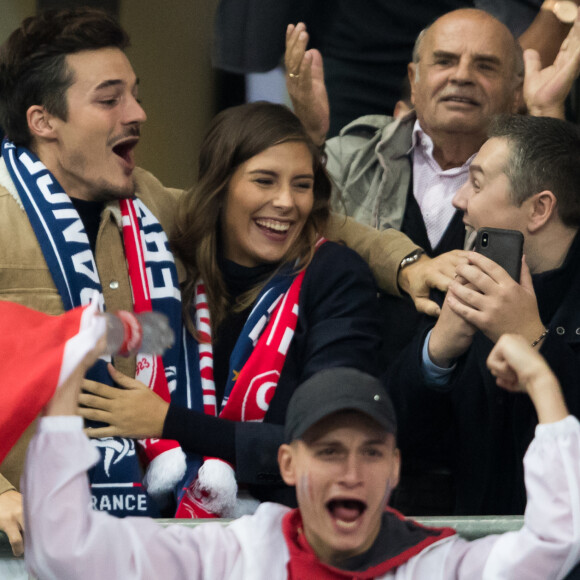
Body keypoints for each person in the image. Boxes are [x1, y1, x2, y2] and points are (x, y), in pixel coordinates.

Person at [0, 7, 451, 557]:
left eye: (135, 94)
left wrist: (405, 265)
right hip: (28, 541)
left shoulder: (149, 203)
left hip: (152, 534)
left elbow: (289, 214)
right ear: (43, 121)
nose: (138, 112)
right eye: (110, 98)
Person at [22, 329, 580, 579]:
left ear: (396, 470)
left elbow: (556, 544)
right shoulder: (229, 561)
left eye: (372, 453)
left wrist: (541, 383)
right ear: (289, 465)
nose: (352, 473)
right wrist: (66, 386)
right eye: (330, 452)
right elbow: (67, 555)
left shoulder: (437, 567)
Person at [76, 101, 381, 518]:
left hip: (292, 542)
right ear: (221, 189)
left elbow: (327, 446)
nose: (286, 202)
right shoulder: (172, 274)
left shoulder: (336, 277)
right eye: (264, 180)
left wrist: (167, 422)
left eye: (302, 185)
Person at [285, 7, 580, 366]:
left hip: (480, 397)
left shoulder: (529, 178)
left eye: (485, 66)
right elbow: (291, 225)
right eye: (444, 61)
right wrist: (309, 138)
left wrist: (547, 111)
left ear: (516, 92)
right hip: (346, 381)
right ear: (414, 79)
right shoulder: (348, 156)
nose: (462, 76)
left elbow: (561, 266)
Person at [386, 114, 580, 516]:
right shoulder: (470, 276)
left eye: (476, 182)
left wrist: (535, 344)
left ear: (540, 208)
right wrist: (437, 354)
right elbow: (394, 438)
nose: (459, 200)